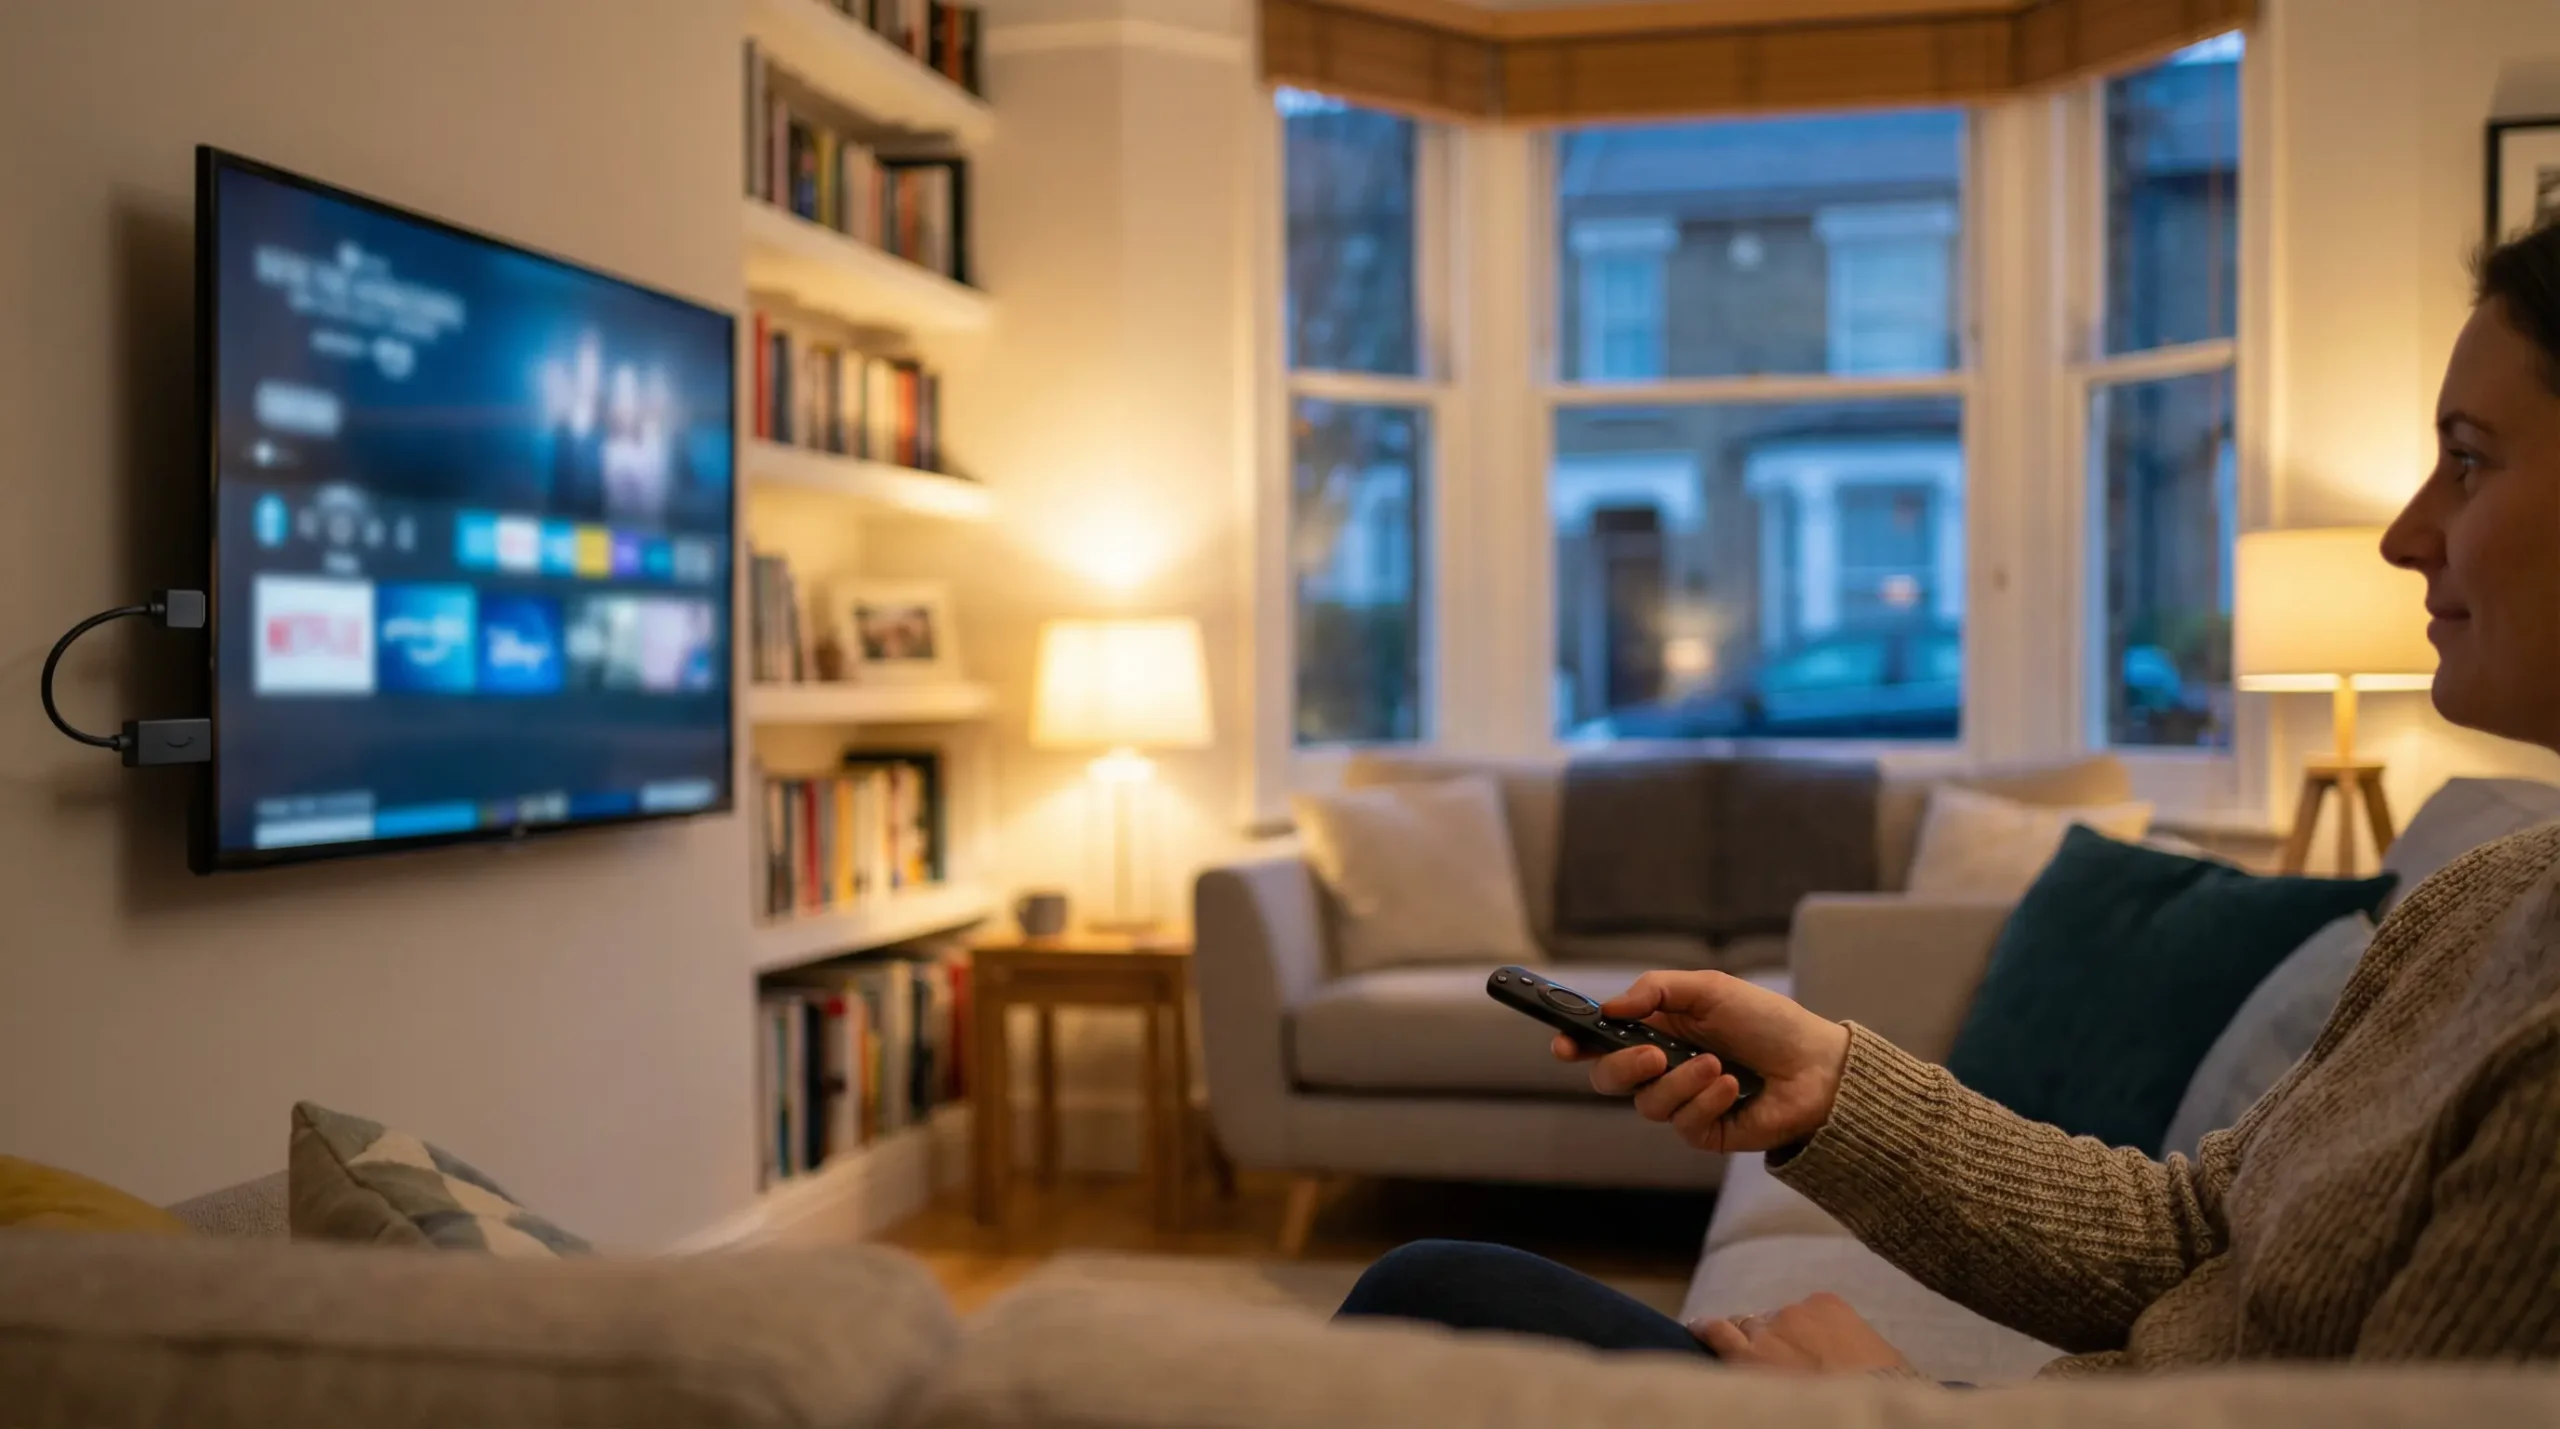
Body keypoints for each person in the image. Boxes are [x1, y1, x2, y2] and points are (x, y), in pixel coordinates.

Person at [1337, 217, 2560, 1378]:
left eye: (2467, 460)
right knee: (1438, 1290)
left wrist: (1893, 1409)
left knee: (1427, 1312)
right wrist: (1835, 1084)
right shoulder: (2487, 893)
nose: (2405, 534)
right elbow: (2196, 1234)